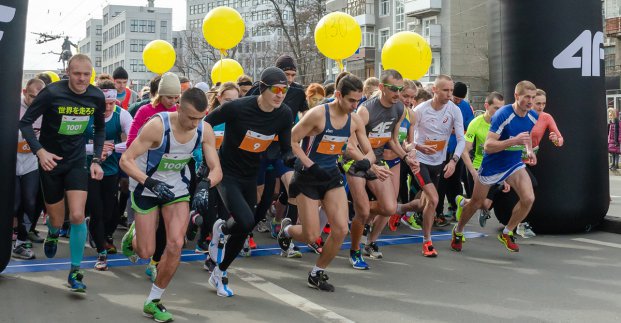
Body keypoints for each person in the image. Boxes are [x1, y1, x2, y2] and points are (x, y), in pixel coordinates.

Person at [120, 88, 222, 322]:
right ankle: (134, 234)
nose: (195, 123)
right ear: (178, 108)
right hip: (146, 185)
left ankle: (153, 300)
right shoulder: (157, 126)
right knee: (145, 251)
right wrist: (150, 182)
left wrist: (206, 185)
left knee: (176, 244)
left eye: (200, 117)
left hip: (177, 188)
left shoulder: (203, 129)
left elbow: (217, 169)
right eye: (191, 118)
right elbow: (126, 160)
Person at [19, 54, 106, 292]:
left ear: (91, 75)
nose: (81, 79)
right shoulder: (51, 93)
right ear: (68, 72)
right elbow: (25, 123)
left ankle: (75, 271)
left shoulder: (96, 96)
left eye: (86, 74)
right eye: (77, 74)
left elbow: (100, 129)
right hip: (51, 163)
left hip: (77, 161)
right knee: (57, 219)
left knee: (77, 215)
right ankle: (54, 233)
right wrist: (40, 152)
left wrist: (96, 159)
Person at [204, 67, 294, 297]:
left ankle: (220, 257)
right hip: (226, 172)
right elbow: (205, 124)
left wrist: (291, 160)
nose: (280, 94)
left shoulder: (283, 113)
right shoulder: (237, 107)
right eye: (275, 89)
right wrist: (208, 157)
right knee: (244, 222)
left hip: (251, 174)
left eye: (285, 90)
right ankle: (221, 270)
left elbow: (285, 148)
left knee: (246, 225)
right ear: (263, 88)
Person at [279, 74, 373, 291]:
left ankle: (317, 272)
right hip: (308, 176)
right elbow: (291, 140)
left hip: (331, 175)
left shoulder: (355, 120)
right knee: (311, 235)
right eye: (351, 100)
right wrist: (309, 164)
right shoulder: (318, 115)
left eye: (358, 101)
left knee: (341, 229)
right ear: (338, 95)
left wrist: (366, 164)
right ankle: (287, 231)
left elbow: (369, 152)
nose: (355, 105)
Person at [451, 81, 539, 253]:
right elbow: (488, 146)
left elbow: (526, 136)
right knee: (477, 203)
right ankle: (459, 230)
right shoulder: (503, 114)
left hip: (513, 164)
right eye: (527, 97)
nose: (530, 101)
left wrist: (529, 151)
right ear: (516, 96)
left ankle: (507, 232)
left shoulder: (532, 116)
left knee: (528, 198)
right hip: (492, 165)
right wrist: (513, 141)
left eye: (533, 97)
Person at [343, 69, 418, 268]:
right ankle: (355, 250)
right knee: (363, 210)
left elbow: (392, 140)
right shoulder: (365, 110)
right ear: (382, 88)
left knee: (389, 207)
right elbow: (350, 146)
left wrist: (406, 158)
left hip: (377, 160)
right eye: (394, 89)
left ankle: (368, 238)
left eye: (400, 89)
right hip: (356, 161)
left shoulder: (400, 109)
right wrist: (370, 165)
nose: (398, 93)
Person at [126, 72, 181, 282]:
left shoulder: (178, 112)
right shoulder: (145, 111)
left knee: (165, 224)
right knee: (147, 241)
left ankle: (154, 264)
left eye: (176, 97)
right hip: (144, 174)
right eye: (169, 97)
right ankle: (134, 238)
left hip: (170, 174)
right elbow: (131, 141)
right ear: (159, 95)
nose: (173, 102)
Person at [411, 74, 465, 257]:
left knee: (425, 203)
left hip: (439, 162)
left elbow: (461, 139)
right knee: (434, 200)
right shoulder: (420, 110)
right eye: (445, 90)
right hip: (419, 161)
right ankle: (427, 241)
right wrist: (419, 146)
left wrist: (453, 160)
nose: (449, 94)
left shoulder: (454, 110)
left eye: (451, 90)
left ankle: (401, 210)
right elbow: (407, 140)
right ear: (434, 90)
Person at [85, 80, 133, 270]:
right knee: (97, 211)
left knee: (111, 213)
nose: (107, 107)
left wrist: (113, 148)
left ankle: (103, 235)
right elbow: (71, 145)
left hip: (111, 170)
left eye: (111, 103)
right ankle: (102, 252)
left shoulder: (122, 115)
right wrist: (94, 149)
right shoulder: (86, 114)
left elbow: (133, 140)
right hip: (87, 169)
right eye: (103, 103)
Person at [515, 88, 564, 238]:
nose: (541, 107)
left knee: (529, 191)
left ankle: (521, 224)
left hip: (530, 159)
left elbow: (560, 139)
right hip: (514, 157)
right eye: (538, 103)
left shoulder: (546, 117)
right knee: (529, 187)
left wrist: (556, 140)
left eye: (544, 104)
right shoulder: (523, 115)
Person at [459, 92, 506, 228]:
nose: (499, 112)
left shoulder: (503, 123)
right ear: (486, 106)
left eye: (502, 109)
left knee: (484, 203)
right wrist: (473, 172)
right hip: (478, 167)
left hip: (495, 167)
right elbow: (465, 150)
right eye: (496, 108)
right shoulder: (475, 123)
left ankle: (467, 203)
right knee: (479, 203)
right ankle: (462, 214)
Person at [13, 78, 46, 260]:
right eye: (32, 96)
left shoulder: (45, 110)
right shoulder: (12, 105)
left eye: (39, 98)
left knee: (30, 203)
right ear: (25, 91)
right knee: (14, 204)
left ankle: (21, 243)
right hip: (11, 162)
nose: (35, 102)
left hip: (31, 163)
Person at [435, 81, 474, 224]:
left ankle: (454, 206)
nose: (457, 101)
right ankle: (437, 212)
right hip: (441, 149)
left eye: (460, 99)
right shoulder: (442, 104)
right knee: (441, 182)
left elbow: (469, 129)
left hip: (457, 149)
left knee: (455, 180)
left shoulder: (464, 107)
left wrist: (458, 131)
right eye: (455, 98)